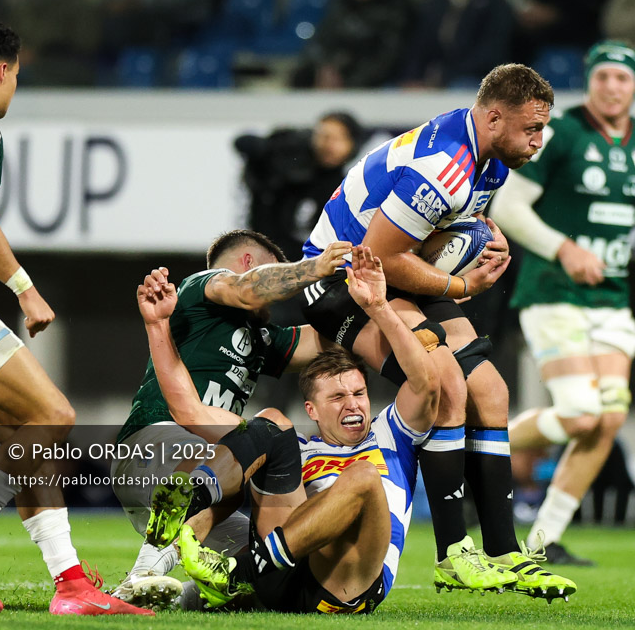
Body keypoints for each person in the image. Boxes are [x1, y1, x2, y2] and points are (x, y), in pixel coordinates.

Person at [141, 246, 572, 610]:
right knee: (269, 425)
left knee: (362, 478)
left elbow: (428, 383)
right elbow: (188, 408)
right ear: (313, 409)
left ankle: (237, 573)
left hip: (347, 582)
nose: (354, 406)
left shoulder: (391, 435)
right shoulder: (297, 448)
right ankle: (169, 540)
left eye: (359, 394)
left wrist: (380, 308)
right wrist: (158, 325)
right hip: (290, 569)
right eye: (338, 398)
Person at [297, 63, 576, 597]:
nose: (539, 141)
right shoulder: (445, 167)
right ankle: (453, 554)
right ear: (494, 118)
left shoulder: (491, 161)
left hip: (393, 272)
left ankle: (505, 553)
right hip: (339, 280)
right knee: (444, 377)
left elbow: (436, 236)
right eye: (531, 129)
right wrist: (461, 287)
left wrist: (486, 240)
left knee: (490, 389)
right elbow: (376, 254)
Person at [0, 19, 150, 616]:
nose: (16, 86)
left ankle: (67, 583)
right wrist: (25, 289)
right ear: (1, 71)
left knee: (28, 440)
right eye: (17, 75)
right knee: (55, 415)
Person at [495, 41, 635, 564]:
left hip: (612, 301)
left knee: (608, 419)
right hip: (555, 294)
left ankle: (541, 542)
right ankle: (470, 450)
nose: (612, 87)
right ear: (590, 82)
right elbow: (507, 205)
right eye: (602, 78)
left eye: (622, 79)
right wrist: (564, 247)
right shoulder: (561, 133)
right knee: (578, 415)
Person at [110, 230, 350, 605]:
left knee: (270, 573)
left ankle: (162, 597)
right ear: (250, 262)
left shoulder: (259, 335)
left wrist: (381, 306)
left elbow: (335, 344)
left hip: (201, 479)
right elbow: (246, 288)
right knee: (256, 439)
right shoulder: (200, 288)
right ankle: (145, 570)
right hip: (156, 445)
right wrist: (313, 269)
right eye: (274, 268)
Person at [234, 112, 363, 286]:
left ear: (351, 145)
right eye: (323, 136)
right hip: (262, 261)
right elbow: (244, 143)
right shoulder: (293, 160)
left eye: (336, 139)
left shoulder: (347, 187)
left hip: (304, 274)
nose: (327, 145)